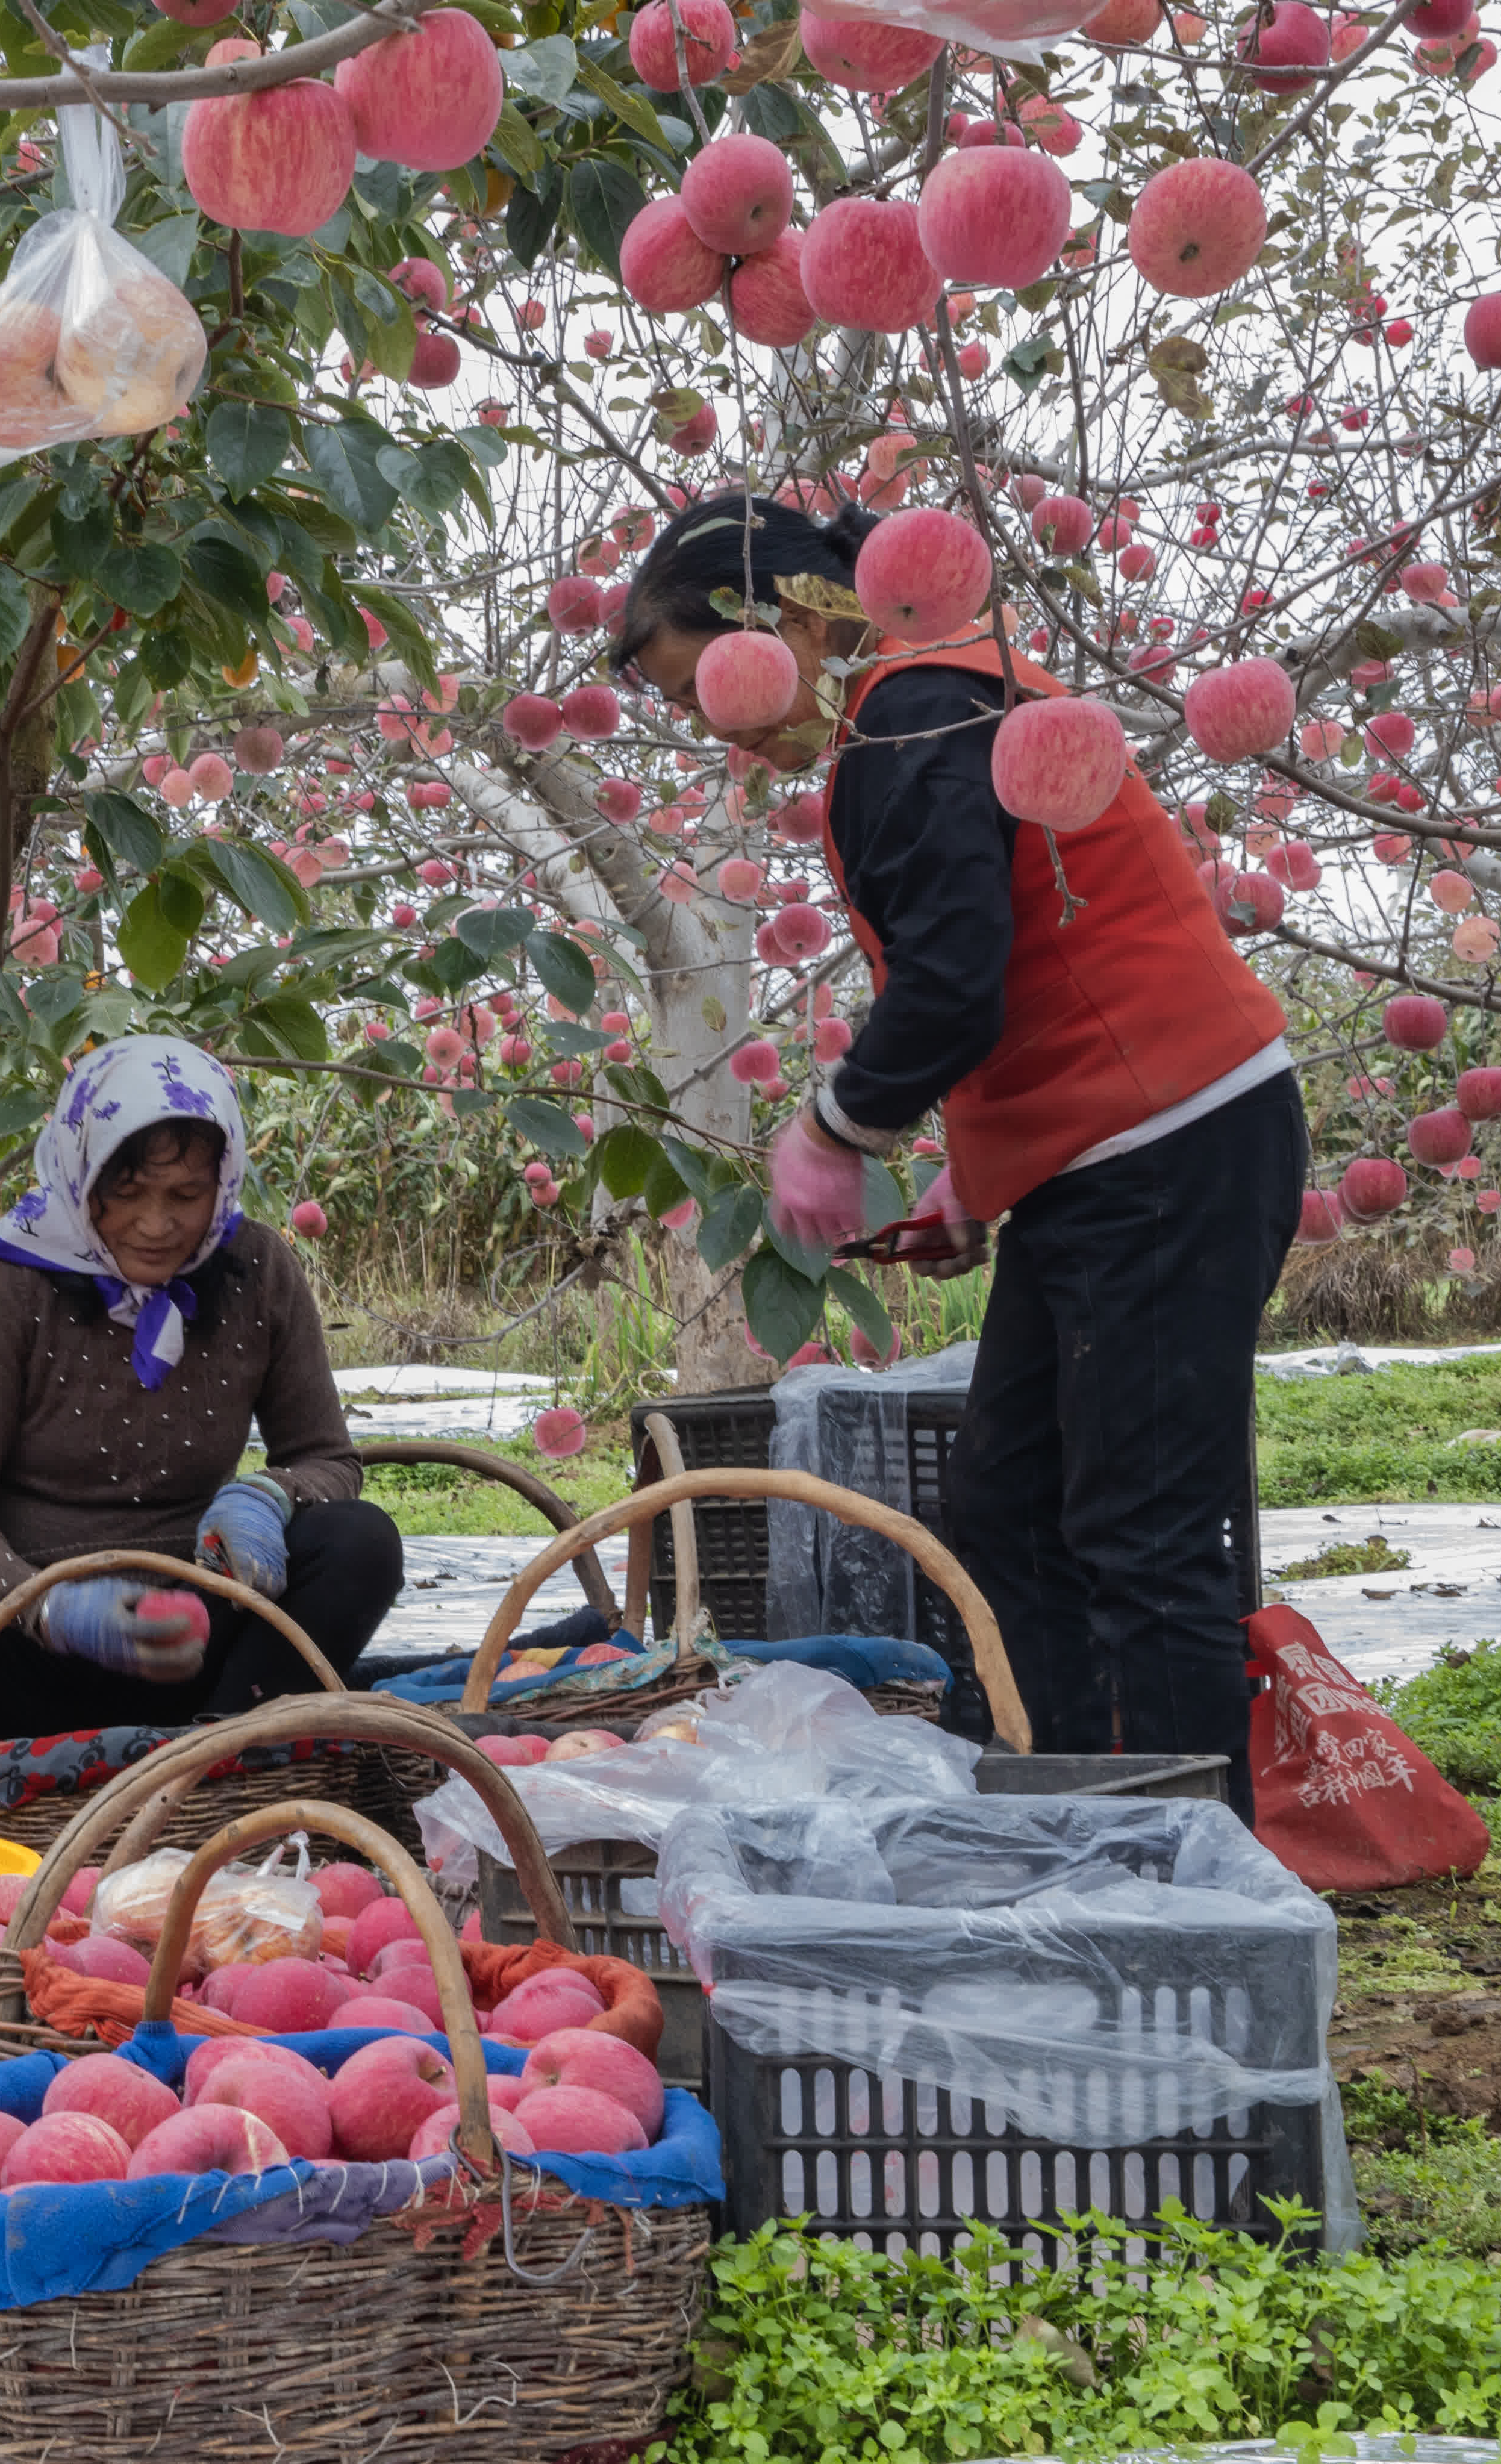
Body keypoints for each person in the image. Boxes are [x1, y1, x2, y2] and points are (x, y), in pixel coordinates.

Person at [614, 494, 1300, 1811]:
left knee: (1136, 1528)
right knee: (1008, 1511)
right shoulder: (923, 705)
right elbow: (1031, 959)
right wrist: (979, 1169)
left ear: (774, 622)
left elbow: (950, 986)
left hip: (1162, 1144)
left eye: (698, 684)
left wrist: (832, 1127)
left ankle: (1182, 1882)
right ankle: (1061, 1819)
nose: (723, 728)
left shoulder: (916, 716)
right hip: (1115, 1147)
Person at [0, 1035, 403, 1739]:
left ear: (221, 1183)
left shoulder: (254, 1267)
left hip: (200, 1641)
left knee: (361, 1541)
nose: (158, 1223)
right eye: (127, 1193)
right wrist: (46, 1607)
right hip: (23, 1642)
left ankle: (223, 1748)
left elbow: (329, 1457)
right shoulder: (5, 1279)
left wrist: (268, 1495)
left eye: (187, 1195)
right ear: (80, 1175)